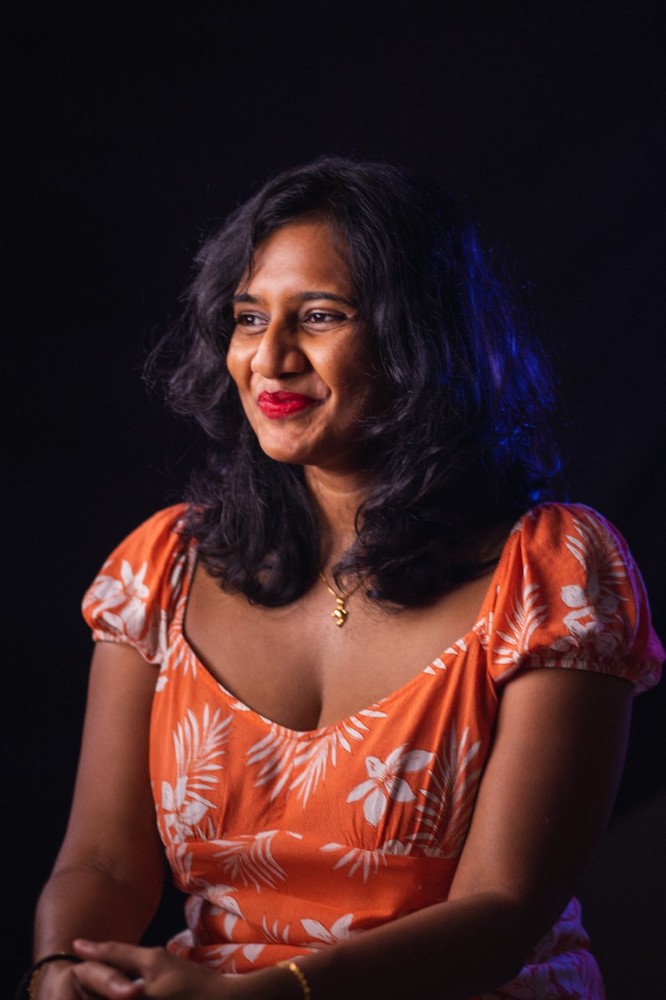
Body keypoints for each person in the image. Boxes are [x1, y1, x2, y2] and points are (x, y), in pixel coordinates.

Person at [24, 155, 663, 1000]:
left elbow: (506, 909)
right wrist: (62, 967)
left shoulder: (553, 574)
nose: (271, 358)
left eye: (319, 316)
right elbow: (104, 861)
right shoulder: (164, 569)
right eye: (249, 320)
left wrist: (267, 996)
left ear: (418, 336)